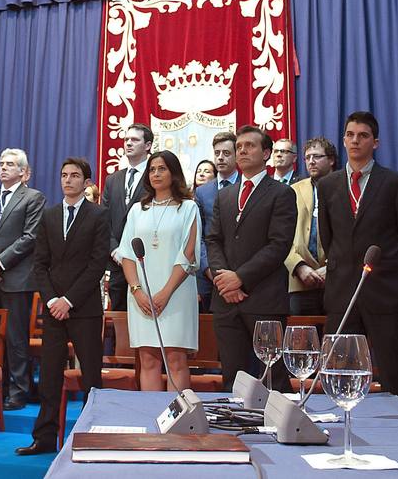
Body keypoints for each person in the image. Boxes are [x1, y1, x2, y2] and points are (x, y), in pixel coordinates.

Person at [318, 112, 398, 400]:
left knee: (394, 373)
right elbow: (328, 238)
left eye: (362, 136)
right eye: (350, 135)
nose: (355, 140)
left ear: (375, 142)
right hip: (341, 293)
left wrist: (387, 271)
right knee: (340, 373)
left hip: (384, 292)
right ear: (343, 140)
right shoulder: (327, 186)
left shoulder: (394, 183)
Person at [16, 157, 110, 455]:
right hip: (54, 306)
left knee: (91, 376)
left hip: (84, 308)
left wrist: (69, 300)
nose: (68, 180)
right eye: (64, 175)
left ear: (86, 182)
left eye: (75, 175)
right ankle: (44, 438)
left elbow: (97, 264)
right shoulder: (49, 215)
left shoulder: (98, 215)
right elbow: (40, 263)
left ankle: (91, 435)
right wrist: (53, 299)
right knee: (50, 375)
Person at [206, 125, 296, 391]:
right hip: (226, 300)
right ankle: (236, 431)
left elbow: (279, 245)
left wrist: (241, 279)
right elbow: (213, 240)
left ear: (266, 153)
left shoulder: (281, 193)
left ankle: (284, 431)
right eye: (240, 147)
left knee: (273, 377)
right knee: (234, 379)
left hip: (263, 299)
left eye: (250, 146)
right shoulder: (225, 195)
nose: (242, 150)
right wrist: (225, 280)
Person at [116, 150, 200, 392]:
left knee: (175, 359)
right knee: (148, 360)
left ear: (173, 173)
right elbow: (127, 254)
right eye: (152, 169)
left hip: (176, 294)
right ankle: (152, 421)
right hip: (141, 295)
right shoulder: (137, 210)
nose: (155, 173)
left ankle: (179, 425)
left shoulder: (188, 208)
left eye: (161, 168)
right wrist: (137, 291)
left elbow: (188, 255)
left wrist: (164, 293)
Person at [0, 148, 45, 409]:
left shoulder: (33, 197)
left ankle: (18, 390)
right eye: (1, 163)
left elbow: (30, 237)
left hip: (16, 277)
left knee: (15, 337)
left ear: (23, 172)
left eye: (10, 164)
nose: (3, 168)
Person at [103, 123, 152, 310]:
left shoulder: (154, 176)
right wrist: (115, 250)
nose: (128, 143)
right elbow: (104, 220)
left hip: (146, 260)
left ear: (147, 145)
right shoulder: (113, 179)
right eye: (126, 140)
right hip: (117, 263)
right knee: (119, 322)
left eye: (134, 140)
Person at [285, 136, 336, 316]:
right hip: (300, 281)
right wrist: (299, 266)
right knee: (301, 341)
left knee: (333, 341)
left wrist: (331, 267)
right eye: (307, 157)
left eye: (317, 156)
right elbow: (281, 237)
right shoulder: (293, 190)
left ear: (331, 160)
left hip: (335, 280)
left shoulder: (343, 188)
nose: (311, 162)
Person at [194, 131, 238, 311]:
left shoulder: (247, 186)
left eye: (226, 153)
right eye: (217, 153)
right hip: (208, 275)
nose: (220, 158)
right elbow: (198, 235)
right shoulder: (203, 192)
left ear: (237, 155)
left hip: (238, 272)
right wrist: (208, 269)